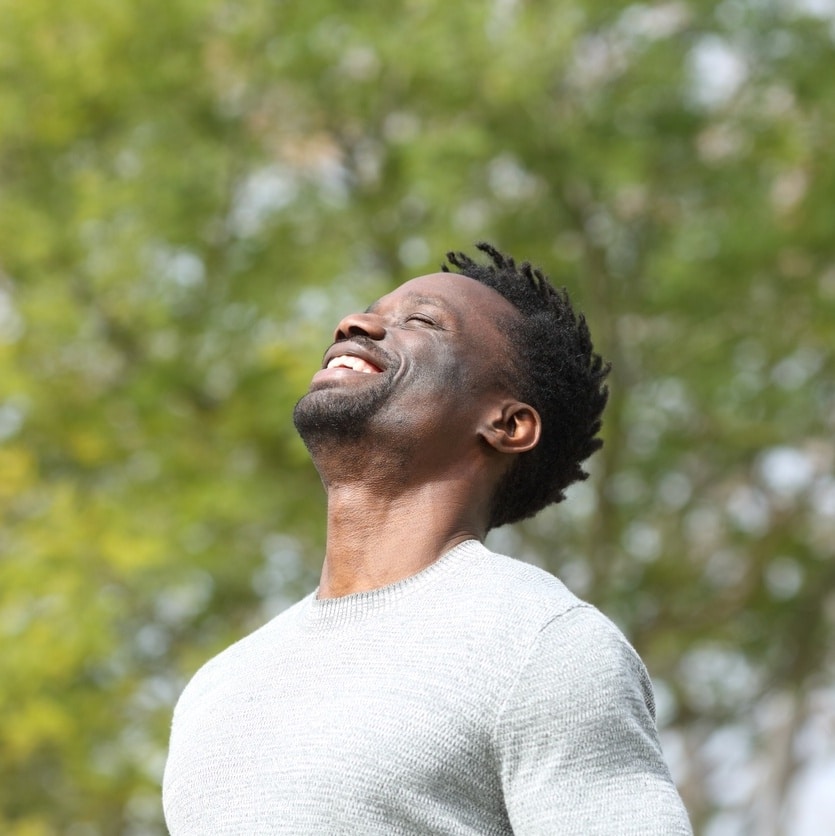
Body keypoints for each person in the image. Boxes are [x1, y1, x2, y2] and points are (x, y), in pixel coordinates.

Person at [162, 243, 692, 834]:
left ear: (507, 424)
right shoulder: (219, 686)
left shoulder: (542, 645)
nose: (355, 324)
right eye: (368, 312)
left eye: (420, 321)